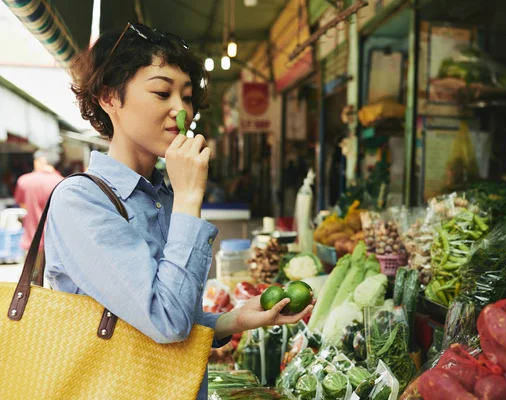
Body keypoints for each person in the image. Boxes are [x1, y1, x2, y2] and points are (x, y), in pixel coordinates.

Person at [43, 23, 312, 399]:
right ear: (109, 98)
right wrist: (188, 198)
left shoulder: (162, 196)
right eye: (161, 92)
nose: (180, 110)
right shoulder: (81, 202)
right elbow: (165, 320)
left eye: (186, 97)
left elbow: (174, 313)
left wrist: (235, 319)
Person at [13, 149, 63, 251]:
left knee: (32, 267)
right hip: (56, 243)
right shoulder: (62, 182)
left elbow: (23, 205)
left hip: (32, 241)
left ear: (40, 161)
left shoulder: (24, 181)